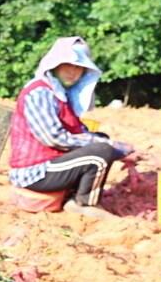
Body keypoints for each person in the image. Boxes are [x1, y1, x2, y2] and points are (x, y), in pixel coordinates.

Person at [8, 36, 134, 215]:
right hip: (34, 171)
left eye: (78, 67)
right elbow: (53, 138)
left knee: (103, 142)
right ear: (55, 65)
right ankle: (84, 204)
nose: (73, 72)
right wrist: (110, 147)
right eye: (67, 65)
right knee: (101, 152)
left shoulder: (61, 94)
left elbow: (80, 133)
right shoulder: (40, 92)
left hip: (51, 165)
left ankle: (74, 196)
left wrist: (117, 147)